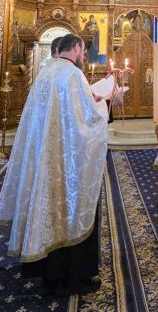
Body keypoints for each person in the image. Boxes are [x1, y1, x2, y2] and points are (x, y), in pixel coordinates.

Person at [0, 34, 109, 296]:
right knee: (68, 211)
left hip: (43, 159)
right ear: (76, 48)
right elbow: (88, 120)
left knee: (46, 211)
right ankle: (72, 278)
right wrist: (108, 102)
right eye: (83, 51)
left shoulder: (45, 73)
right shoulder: (72, 75)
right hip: (66, 162)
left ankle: (47, 272)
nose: (84, 57)